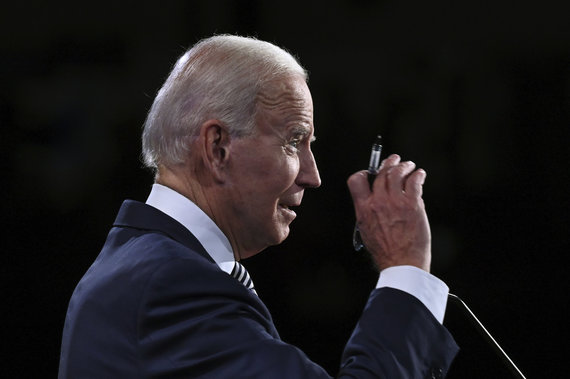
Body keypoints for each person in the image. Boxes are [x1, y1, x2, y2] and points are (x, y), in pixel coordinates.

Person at [58, 35, 458, 378]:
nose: (312, 176)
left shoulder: (145, 265)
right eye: (293, 140)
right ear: (218, 148)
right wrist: (405, 268)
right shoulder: (171, 287)